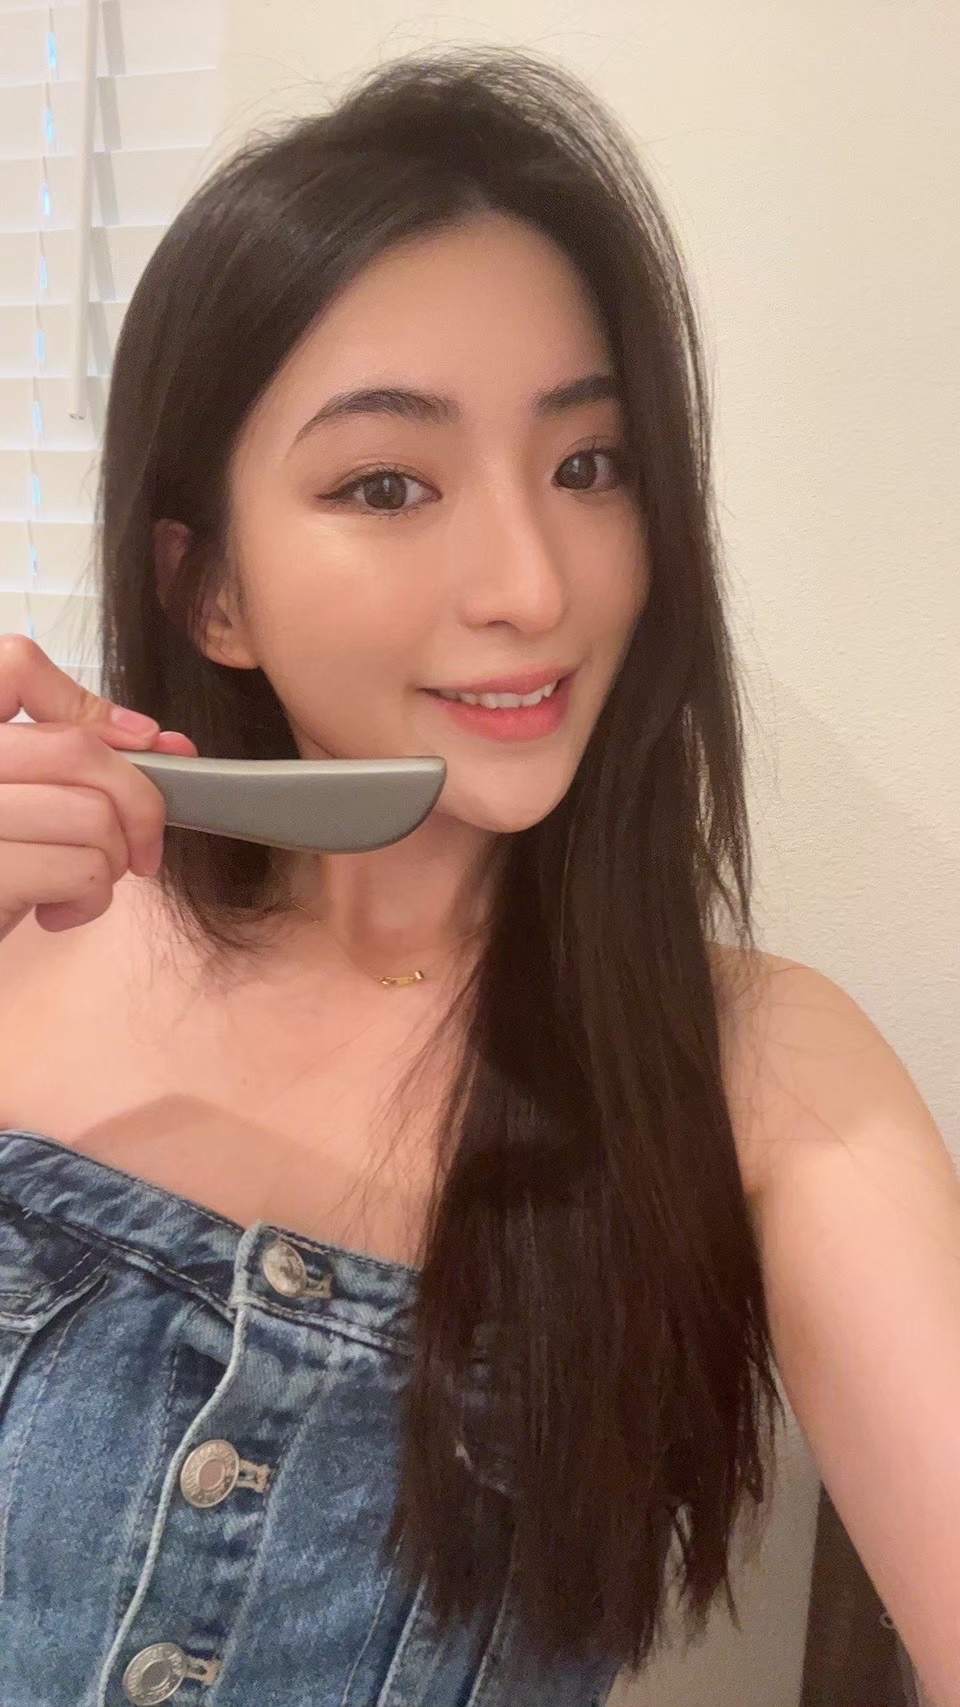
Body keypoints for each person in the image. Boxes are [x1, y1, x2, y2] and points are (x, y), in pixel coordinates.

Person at [0, 43, 859, 1707]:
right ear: (211, 591)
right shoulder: (29, 946)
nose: (533, 584)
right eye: (388, 484)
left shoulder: (759, 1071)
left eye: (589, 466)